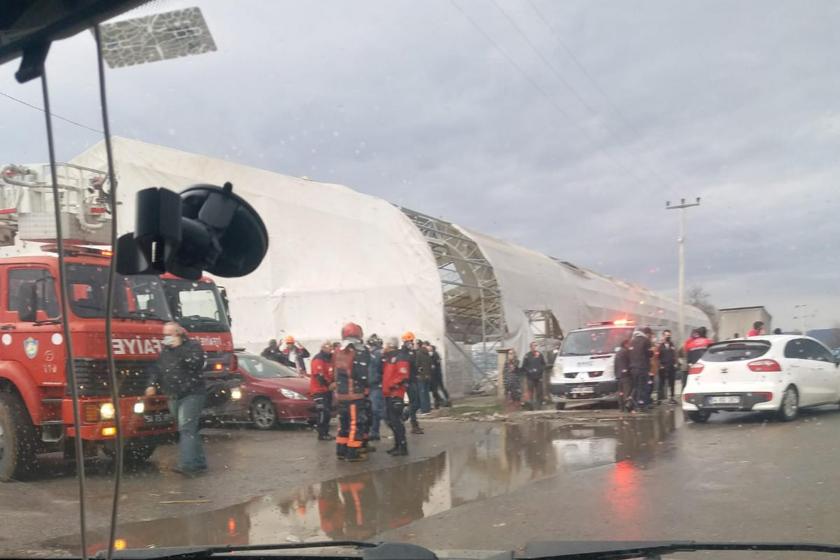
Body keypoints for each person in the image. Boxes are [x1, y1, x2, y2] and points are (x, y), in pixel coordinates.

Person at [146, 322, 208, 475]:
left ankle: (188, 465)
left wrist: (179, 348)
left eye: (170, 334)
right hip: (173, 394)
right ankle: (199, 461)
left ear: (179, 333)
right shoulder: (165, 351)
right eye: (164, 335)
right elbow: (158, 369)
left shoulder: (193, 346)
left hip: (192, 393)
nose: (167, 337)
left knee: (186, 428)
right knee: (189, 429)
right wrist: (152, 384)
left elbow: (196, 363)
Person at [333, 323, 372, 462]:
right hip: (354, 394)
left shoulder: (338, 350)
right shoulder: (359, 351)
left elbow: (336, 372)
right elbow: (362, 374)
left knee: (343, 423)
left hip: (341, 394)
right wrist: (367, 385)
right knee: (356, 424)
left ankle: (341, 451)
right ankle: (353, 452)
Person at [382, 337, 410, 456]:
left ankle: (402, 446)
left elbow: (403, 375)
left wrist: (392, 385)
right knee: (391, 421)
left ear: (391, 346)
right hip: (389, 394)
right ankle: (398, 445)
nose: (384, 347)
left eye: (386, 345)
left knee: (396, 421)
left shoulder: (400, 357)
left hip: (395, 394)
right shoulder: (389, 359)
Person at [310, 341, 335, 441]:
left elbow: (332, 373)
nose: (331, 349)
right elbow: (319, 375)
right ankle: (321, 433)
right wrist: (329, 385)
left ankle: (325, 432)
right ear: (323, 348)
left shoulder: (330, 359)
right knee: (323, 412)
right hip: (319, 390)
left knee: (327, 412)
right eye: (329, 347)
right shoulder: (318, 359)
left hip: (327, 390)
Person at [400, 331, 424, 434]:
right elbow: (404, 367)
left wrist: (418, 369)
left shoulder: (412, 352)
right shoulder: (403, 353)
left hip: (413, 379)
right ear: (406, 341)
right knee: (414, 402)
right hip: (408, 381)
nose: (412, 343)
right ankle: (412, 423)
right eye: (410, 341)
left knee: (416, 402)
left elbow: (413, 365)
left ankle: (407, 415)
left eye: (412, 341)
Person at [628, 327, 653, 409]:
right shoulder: (646, 341)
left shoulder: (632, 341)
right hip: (642, 367)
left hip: (633, 367)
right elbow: (649, 354)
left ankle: (633, 404)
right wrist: (652, 351)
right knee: (643, 386)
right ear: (647, 334)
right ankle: (641, 404)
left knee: (636, 386)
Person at [366, 334, 385, 441]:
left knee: (375, 409)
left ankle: (374, 431)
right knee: (375, 409)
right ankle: (374, 431)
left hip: (375, 384)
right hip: (373, 384)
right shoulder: (375, 354)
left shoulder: (376, 355)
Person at [521, 342, 546, 409]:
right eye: (534, 346)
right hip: (530, 378)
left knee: (539, 392)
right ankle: (530, 407)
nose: (535, 347)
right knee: (530, 392)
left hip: (539, 377)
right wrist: (529, 371)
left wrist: (540, 370)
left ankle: (539, 406)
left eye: (536, 345)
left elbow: (543, 364)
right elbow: (524, 366)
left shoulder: (540, 354)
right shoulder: (527, 355)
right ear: (531, 347)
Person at [657, 329, 677, 404]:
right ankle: (659, 399)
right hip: (663, 367)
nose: (668, 337)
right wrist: (660, 365)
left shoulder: (672, 345)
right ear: (663, 336)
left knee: (672, 383)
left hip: (671, 367)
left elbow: (675, 355)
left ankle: (672, 397)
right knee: (661, 383)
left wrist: (675, 364)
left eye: (669, 335)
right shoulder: (660, 346)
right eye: (666, 335)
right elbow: (657, 357)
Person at [428, 344, 450, 408]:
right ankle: (441, 401)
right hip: (436, 374)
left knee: (437, 388)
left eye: (429, 347)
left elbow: (436, 363)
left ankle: (442, 400)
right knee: (437, 388)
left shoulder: (434, 354)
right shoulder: (434, 354)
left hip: (436, 374)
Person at [614, 338, 633, 412]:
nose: (630, 346)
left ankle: (621, 408)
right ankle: (627, 406)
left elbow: (615, 365)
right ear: (626, 344)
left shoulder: (618, 352)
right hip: (626, 375)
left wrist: (616, 375)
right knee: (627, 391)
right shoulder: (626, 352)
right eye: (629, 344)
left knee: (621, 392)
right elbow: (629, 362)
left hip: (619, 376)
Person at [415, 340, 433, 414]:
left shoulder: (418, 353)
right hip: (428, 376)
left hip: (421, 376)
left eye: (415, 344)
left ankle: (423, 409)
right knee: (426, 392)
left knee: (422, 393)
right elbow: (430, 364)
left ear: (418, 345)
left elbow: (417, 365)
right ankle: (428, 408)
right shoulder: (427, 353)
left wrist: (418, 371)